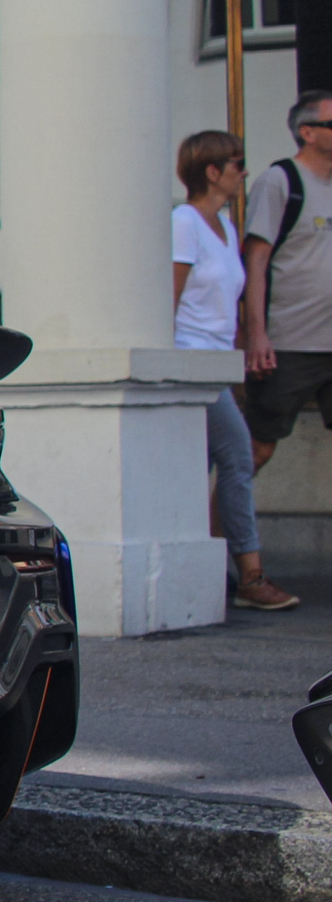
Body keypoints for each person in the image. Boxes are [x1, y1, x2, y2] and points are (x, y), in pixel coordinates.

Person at [177, 131, 292, 609]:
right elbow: (171, 292)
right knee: (239, 457)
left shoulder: (223, 224)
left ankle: (202, 570)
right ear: (212, 171)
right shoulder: (184, 222)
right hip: (191, 359)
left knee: (199, 467)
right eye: (237, 163)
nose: (244, 172)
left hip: (217, 363)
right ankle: (251, 574)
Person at [244, 92, 332, 479]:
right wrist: (257, 334)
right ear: (307, 132)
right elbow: (257, 259)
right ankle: (219, 533)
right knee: (258, 447)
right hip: (290, 341)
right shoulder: (279, 182)